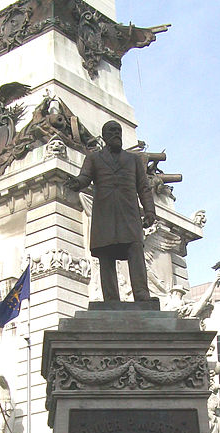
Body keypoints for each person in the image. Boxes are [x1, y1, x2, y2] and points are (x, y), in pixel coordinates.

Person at [67, 120, 156, 301]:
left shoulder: (134, 160)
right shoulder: (94, 158)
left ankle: (141, 294)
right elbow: (85, 177)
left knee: (135, 249)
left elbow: (143, 187)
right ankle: (111, 299)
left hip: (129, 212)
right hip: (104, 213)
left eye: (118, 131)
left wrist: (149, 211)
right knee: (106, 254)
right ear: (105, 136)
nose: (116, 134)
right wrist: (76, 183)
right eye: (112, 131)